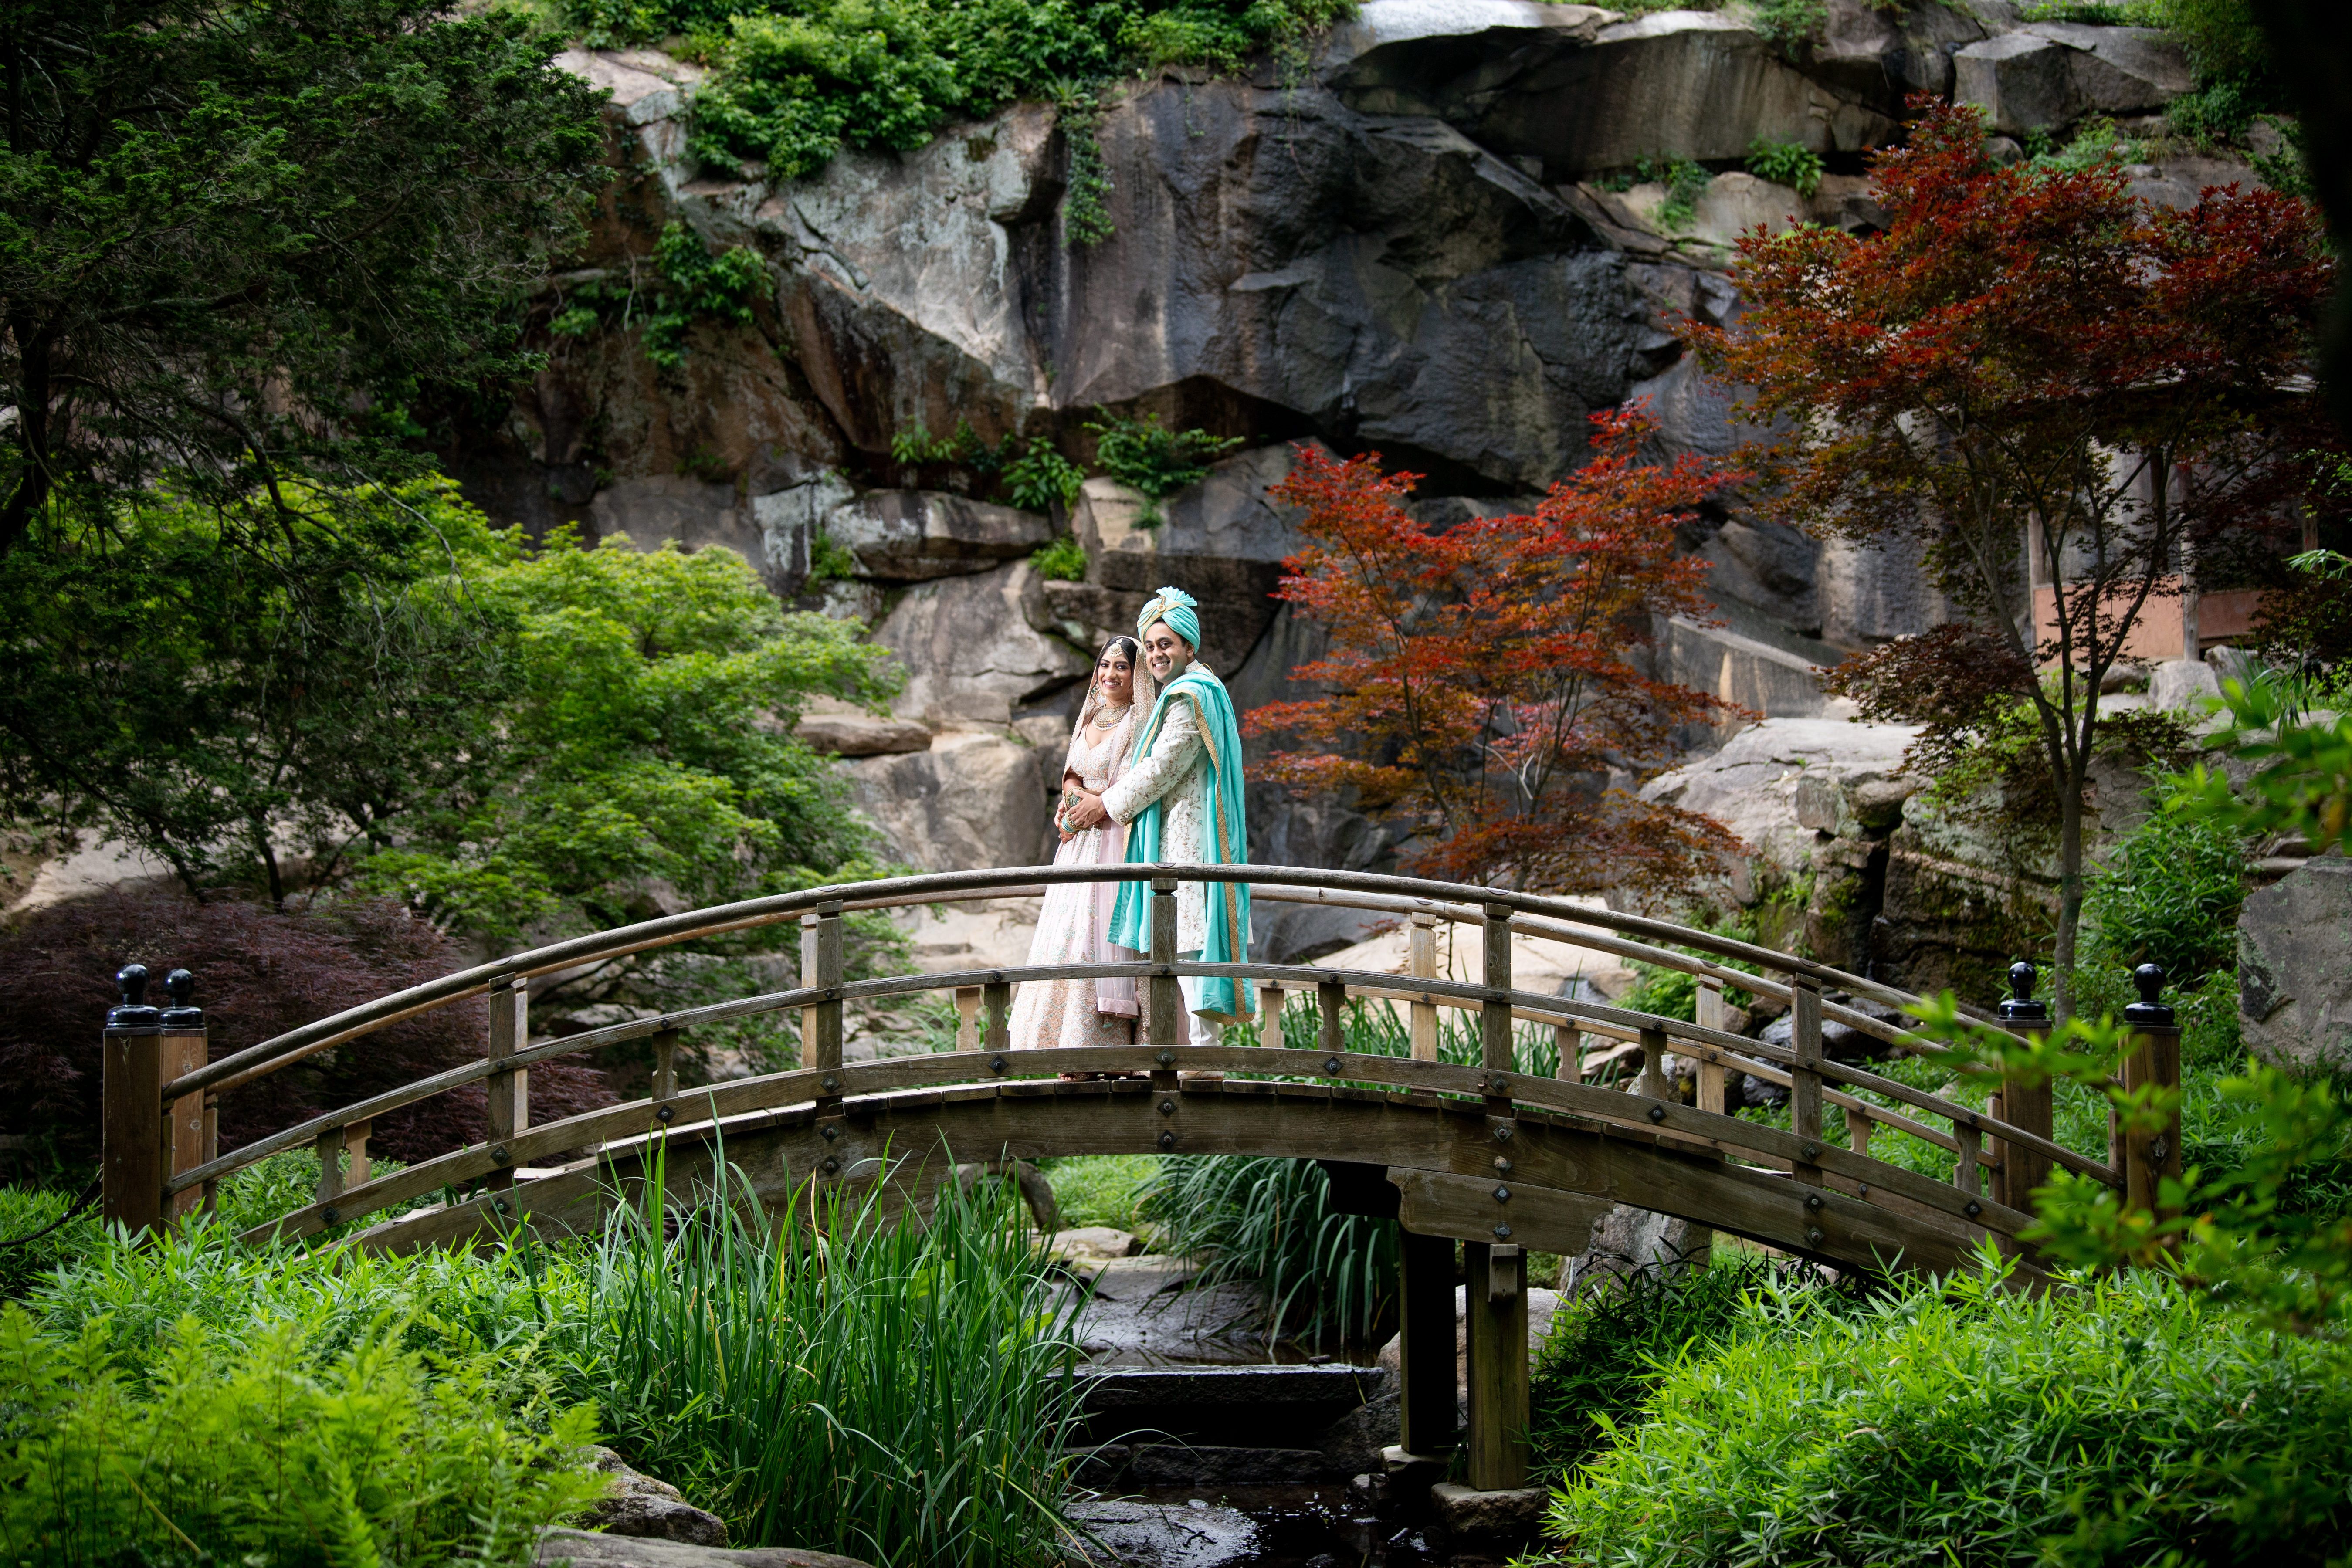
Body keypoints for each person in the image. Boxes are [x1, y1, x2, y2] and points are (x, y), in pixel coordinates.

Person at [1062, 586, 1253, 1046]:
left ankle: (1202, 1062)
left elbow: (1160, 768)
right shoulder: (1190, 691)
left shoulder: (1190, 695)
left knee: (1190, 944)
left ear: (1189, 646)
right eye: (1149, 646)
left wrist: (1101, 803)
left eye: (1165, 644)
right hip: (1179, 834)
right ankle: (1191, 1057)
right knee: (1182, 943)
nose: (1155, 654)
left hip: (1189, 838)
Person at [1008, 637, 1153, 1053]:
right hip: (1075, 845)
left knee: (1099, 937)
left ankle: (1105, 1047)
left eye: (1122, 667)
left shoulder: (1137, 722)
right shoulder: (1090, 716)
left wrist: (1091, 807)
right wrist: (1069, 801)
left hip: (1112, 840)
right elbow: (1072, 772)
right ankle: (1059, 1043)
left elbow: (1130, 785)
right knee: (1066, 936)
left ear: (1137, 674)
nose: (1110, 674)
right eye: (1105, 665)